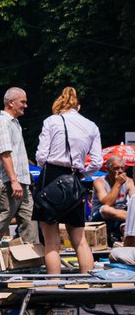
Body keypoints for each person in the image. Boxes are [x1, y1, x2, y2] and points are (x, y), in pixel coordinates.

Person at [34, 86, 103, 274]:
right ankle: (88, 289)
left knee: (52, 242)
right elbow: (97, 162)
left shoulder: (52, 121)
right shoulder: (91, 126)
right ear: (77, 107)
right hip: (75, 180)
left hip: (51, 177)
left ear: (58, 105)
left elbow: (41, 155)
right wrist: (81, 174)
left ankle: (54, 288)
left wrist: (48, 167)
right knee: (79, 240)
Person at [0, 87, 39, 250]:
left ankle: (31, 259)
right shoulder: (3, 123)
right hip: (8, 183)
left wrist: (21, 181)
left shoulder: (14, 123)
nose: (25, 105)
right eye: (23, 102)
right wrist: (14, 181)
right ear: (11, 103)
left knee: (29, 220)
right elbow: (5, 154)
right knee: (2, 221)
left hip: (21, 182)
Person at [93, 156, 130, 244]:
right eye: (116, 168)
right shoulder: (99, 181)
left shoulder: (129, 182)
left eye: (122, 168)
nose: (120, 171)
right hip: (101, 217)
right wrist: (118, 183)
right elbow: (107, 203)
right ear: (107, 170)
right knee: (105, 209)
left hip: (121, 217)